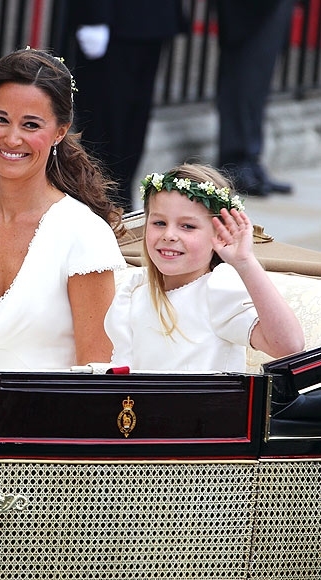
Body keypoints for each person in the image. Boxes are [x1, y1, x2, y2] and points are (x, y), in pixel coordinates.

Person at [0, 48, 126, 371]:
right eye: (0, 119)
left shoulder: (85, 234)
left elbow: (97, 371)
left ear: (60, 131)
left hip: (57, 414)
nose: (12, 138)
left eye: (31, 125)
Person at [105, 163, 304, 371]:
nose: (169, 235)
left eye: (188, 226)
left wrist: (246, 263)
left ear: (219, 233)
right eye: (159, 223)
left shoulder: (217, 290)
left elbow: (289, 347)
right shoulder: (134, 291)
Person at [67, 0, 186, 212]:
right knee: (104, 118)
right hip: (114, 19)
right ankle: (97, 199)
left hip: (150, 18)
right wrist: (94, 15)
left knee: (135, 118)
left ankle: (120, 198)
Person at [216, 0, 296, 196]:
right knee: (242, 78)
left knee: (257, 83)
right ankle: (235, 163)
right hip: (246, 10)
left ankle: (251, 159)